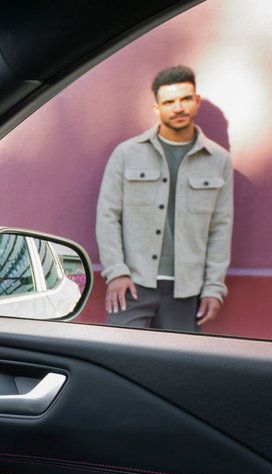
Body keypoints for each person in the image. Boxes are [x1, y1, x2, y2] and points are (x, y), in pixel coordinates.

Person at [95, 64, 234, 331]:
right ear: (157, 107)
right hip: (133, 283)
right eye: (169, 102)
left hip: (186, 289)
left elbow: (220, 227)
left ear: (196, 101)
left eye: (185, 99)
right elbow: (108, 216)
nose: (178, 108)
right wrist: (116, 272)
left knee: (177, 357)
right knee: (117, 350)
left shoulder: (218, 160)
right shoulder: (127, 154)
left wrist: (214, 288)